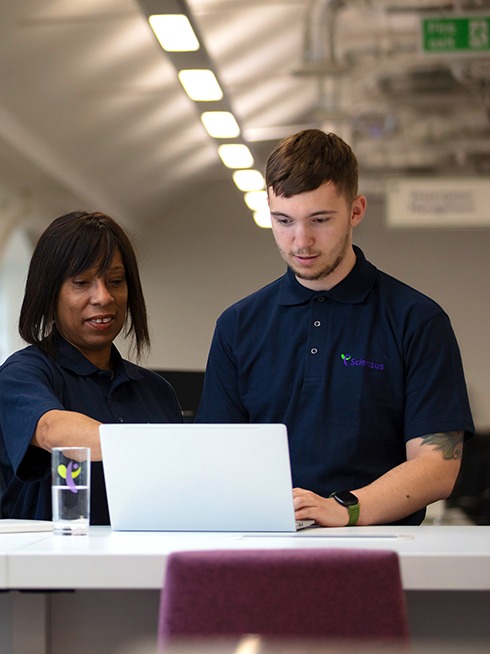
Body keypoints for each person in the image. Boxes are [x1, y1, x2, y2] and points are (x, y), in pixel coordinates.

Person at [196, 129, 472, 527]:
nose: (301, 241)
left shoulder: (417, 320)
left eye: (320, 220)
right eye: (283, 221)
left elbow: (437, 467)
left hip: (379, 545)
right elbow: (215, 456)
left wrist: (344, 509)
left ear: (356, 210)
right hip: (264, 543)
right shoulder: (238, 325)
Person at [0, 211, 181, 524]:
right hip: (50, 565)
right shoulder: (23, 373)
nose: (104, 297)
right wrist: (161, 449)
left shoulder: (157, 392)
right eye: (82, 283)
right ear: (50, 292)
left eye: (116, 282)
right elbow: (55, 431)